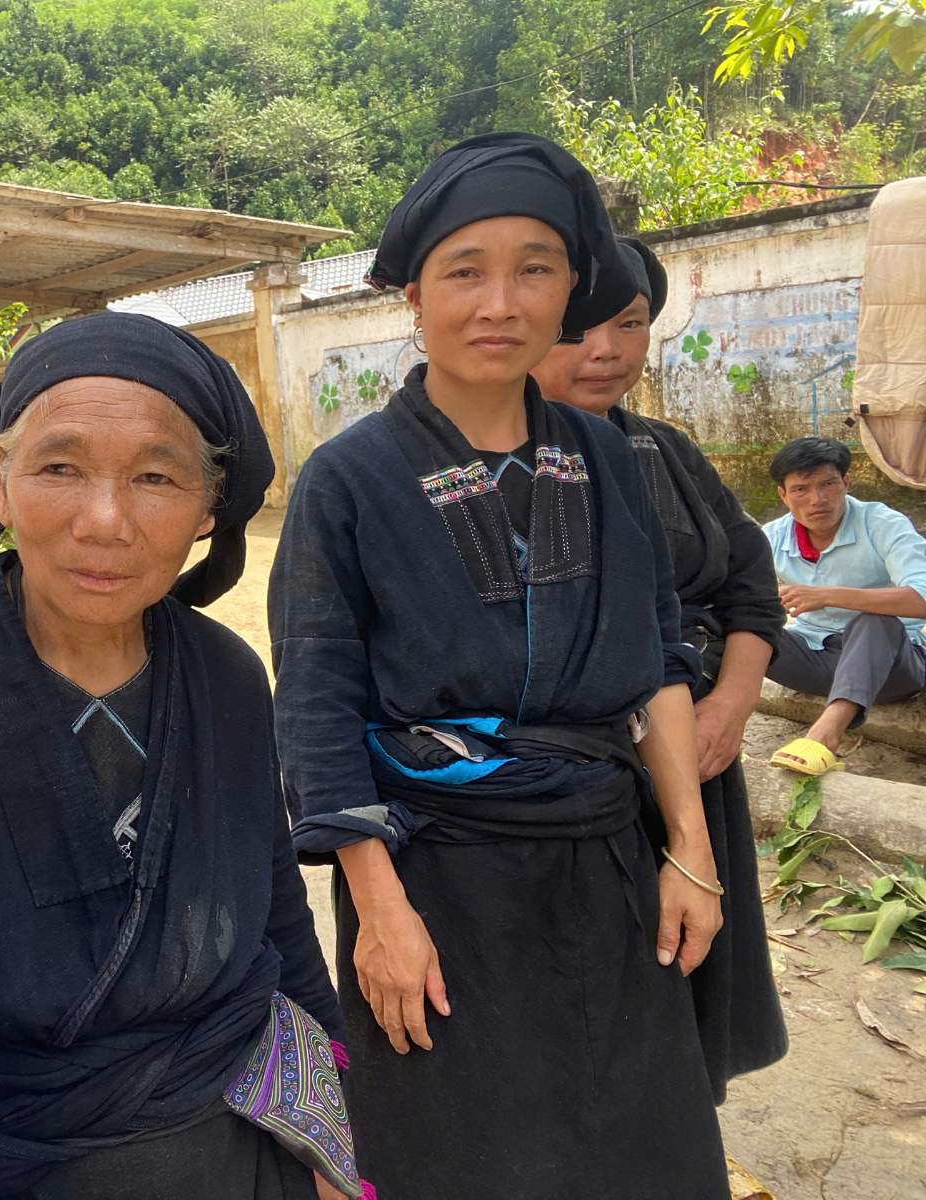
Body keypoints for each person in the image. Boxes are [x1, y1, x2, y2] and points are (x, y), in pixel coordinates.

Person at [269, 133, 730, 1199]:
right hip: (436, 877)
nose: (500, 302)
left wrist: (690, 853)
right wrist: (378, 910)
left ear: (569, 290)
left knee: (635, 1150)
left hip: (605, 860)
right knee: (460, 1157)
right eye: (464, 271)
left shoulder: (607, 455)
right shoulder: (348, 478)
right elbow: (318, 702)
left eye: (534, 269)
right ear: (413, 296)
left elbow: (657, 658)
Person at [0, 312, 361, 1200]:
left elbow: (280, 918)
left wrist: (332, 1139)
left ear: (208, 505)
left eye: (155, 477)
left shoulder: (227, 676)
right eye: (59, 468)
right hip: (4, 1156)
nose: (105, 521)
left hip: (235, 1138)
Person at [533, 235, 788, 1102]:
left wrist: (731, 707)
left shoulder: (665, 451)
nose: (606, 351)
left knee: (693, 972)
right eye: (576, 330)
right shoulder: (486, 471)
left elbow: (751, 586)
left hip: (700, 761)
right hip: (587, 782)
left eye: (631, 324)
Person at [760, 436, 926, 774]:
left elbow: (922, 597)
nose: (817, 500)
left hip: (890, 668)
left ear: (846, 482)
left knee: (874, 620)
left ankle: (825, 736)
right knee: (737, 625)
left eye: (828, 484)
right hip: (816, 662)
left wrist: (828, 595)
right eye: (801, 489)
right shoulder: (772, 536)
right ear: (783, 495)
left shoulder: (881, 523)